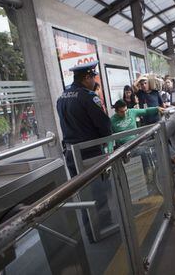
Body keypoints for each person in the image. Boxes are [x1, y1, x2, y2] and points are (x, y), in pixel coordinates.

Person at [56, 61, 112, 241]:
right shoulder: (88, 97)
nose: (95, 81)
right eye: (93, 77)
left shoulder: (62, 97)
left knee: (82, 194)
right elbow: (105, 126)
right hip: (89, 153)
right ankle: (103, 228)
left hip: (71, 153)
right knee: (98, 192)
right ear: (86, 77)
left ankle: (90, 232)